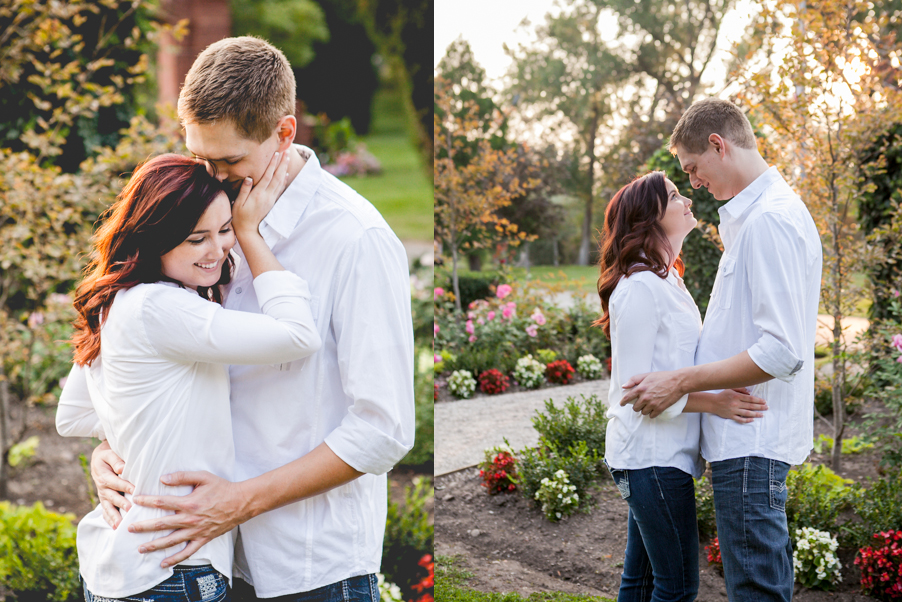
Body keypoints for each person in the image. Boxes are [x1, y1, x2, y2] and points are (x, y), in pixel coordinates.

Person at [68, 37, 416, 601]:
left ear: (284, 132)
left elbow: (384, 428)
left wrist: (240, 501)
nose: (211, 176)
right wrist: (112, 452)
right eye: (198, 156)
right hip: (203, 562)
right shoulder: (200, 220)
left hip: (309, 568)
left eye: (228, 161)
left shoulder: (355, 238)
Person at [57, 152, 322, 601]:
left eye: (225, 230)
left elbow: (74, 415)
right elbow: (298, 335)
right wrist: (251, 234)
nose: (218, 249)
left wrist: (117, 447)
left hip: (125, 566)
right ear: (155, 239)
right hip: (172, 567)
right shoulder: (162, 307)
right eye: (197, 238)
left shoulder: (117, 302)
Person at [619, 98, 823, 601]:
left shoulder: (769, 221)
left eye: (693, 168)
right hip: (740, 442)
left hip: (751, 442)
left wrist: (681, 382)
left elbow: (781, 350)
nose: (692, 183)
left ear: (718, 145)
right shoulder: (753, 222)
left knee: (755, 590)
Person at [599, 171, 769, 601]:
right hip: (649, 457)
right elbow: (637, 394)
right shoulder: (639, 288)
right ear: (649, 217)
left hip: (663, 456)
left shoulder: (667, 282)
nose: (687, 200)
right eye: (675, 195)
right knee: (677, 588)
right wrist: (714, 403)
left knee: (640, 584)